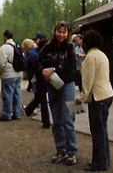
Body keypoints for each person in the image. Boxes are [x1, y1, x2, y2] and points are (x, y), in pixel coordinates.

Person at [37, 21, 78, 165]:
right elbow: (39, 62)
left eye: (64, 32)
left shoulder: (70, 47)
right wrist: (43, 70)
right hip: (52, 84)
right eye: (59, 32)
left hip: (68, 84)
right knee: (56, 119)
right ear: (54, 32)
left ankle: (72, 151)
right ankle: (60, 149)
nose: (61, 35)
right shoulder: (47, 47)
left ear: (67, 33)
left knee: (68, 118)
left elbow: (71, 67)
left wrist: (54, 68)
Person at [75, 30, 113, 172]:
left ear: (87, 43)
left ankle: (99, 163)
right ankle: (104, 160)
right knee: (102, 130)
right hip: (107, 94)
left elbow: (87, 82)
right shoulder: (102, 55)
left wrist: (80, 99)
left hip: (98, 97)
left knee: (97, 132)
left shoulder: (90, 58)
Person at [22, 37, 51, 128]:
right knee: (41, 98)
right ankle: (30, 110)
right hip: (44, 77)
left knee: (41, 98)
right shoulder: (45, 54)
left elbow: (26, 64)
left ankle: (29, 110)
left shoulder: (33, 54)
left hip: (38, 78)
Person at [0, 30, 22, 121]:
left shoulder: (4, 48)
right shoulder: (17, 46)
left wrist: (0, 71)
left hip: (8, 74)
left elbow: (1, 63)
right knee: (17, 94)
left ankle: (7, 114)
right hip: (18, 73)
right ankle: (17, 113)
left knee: (7, 94)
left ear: (5, 37)